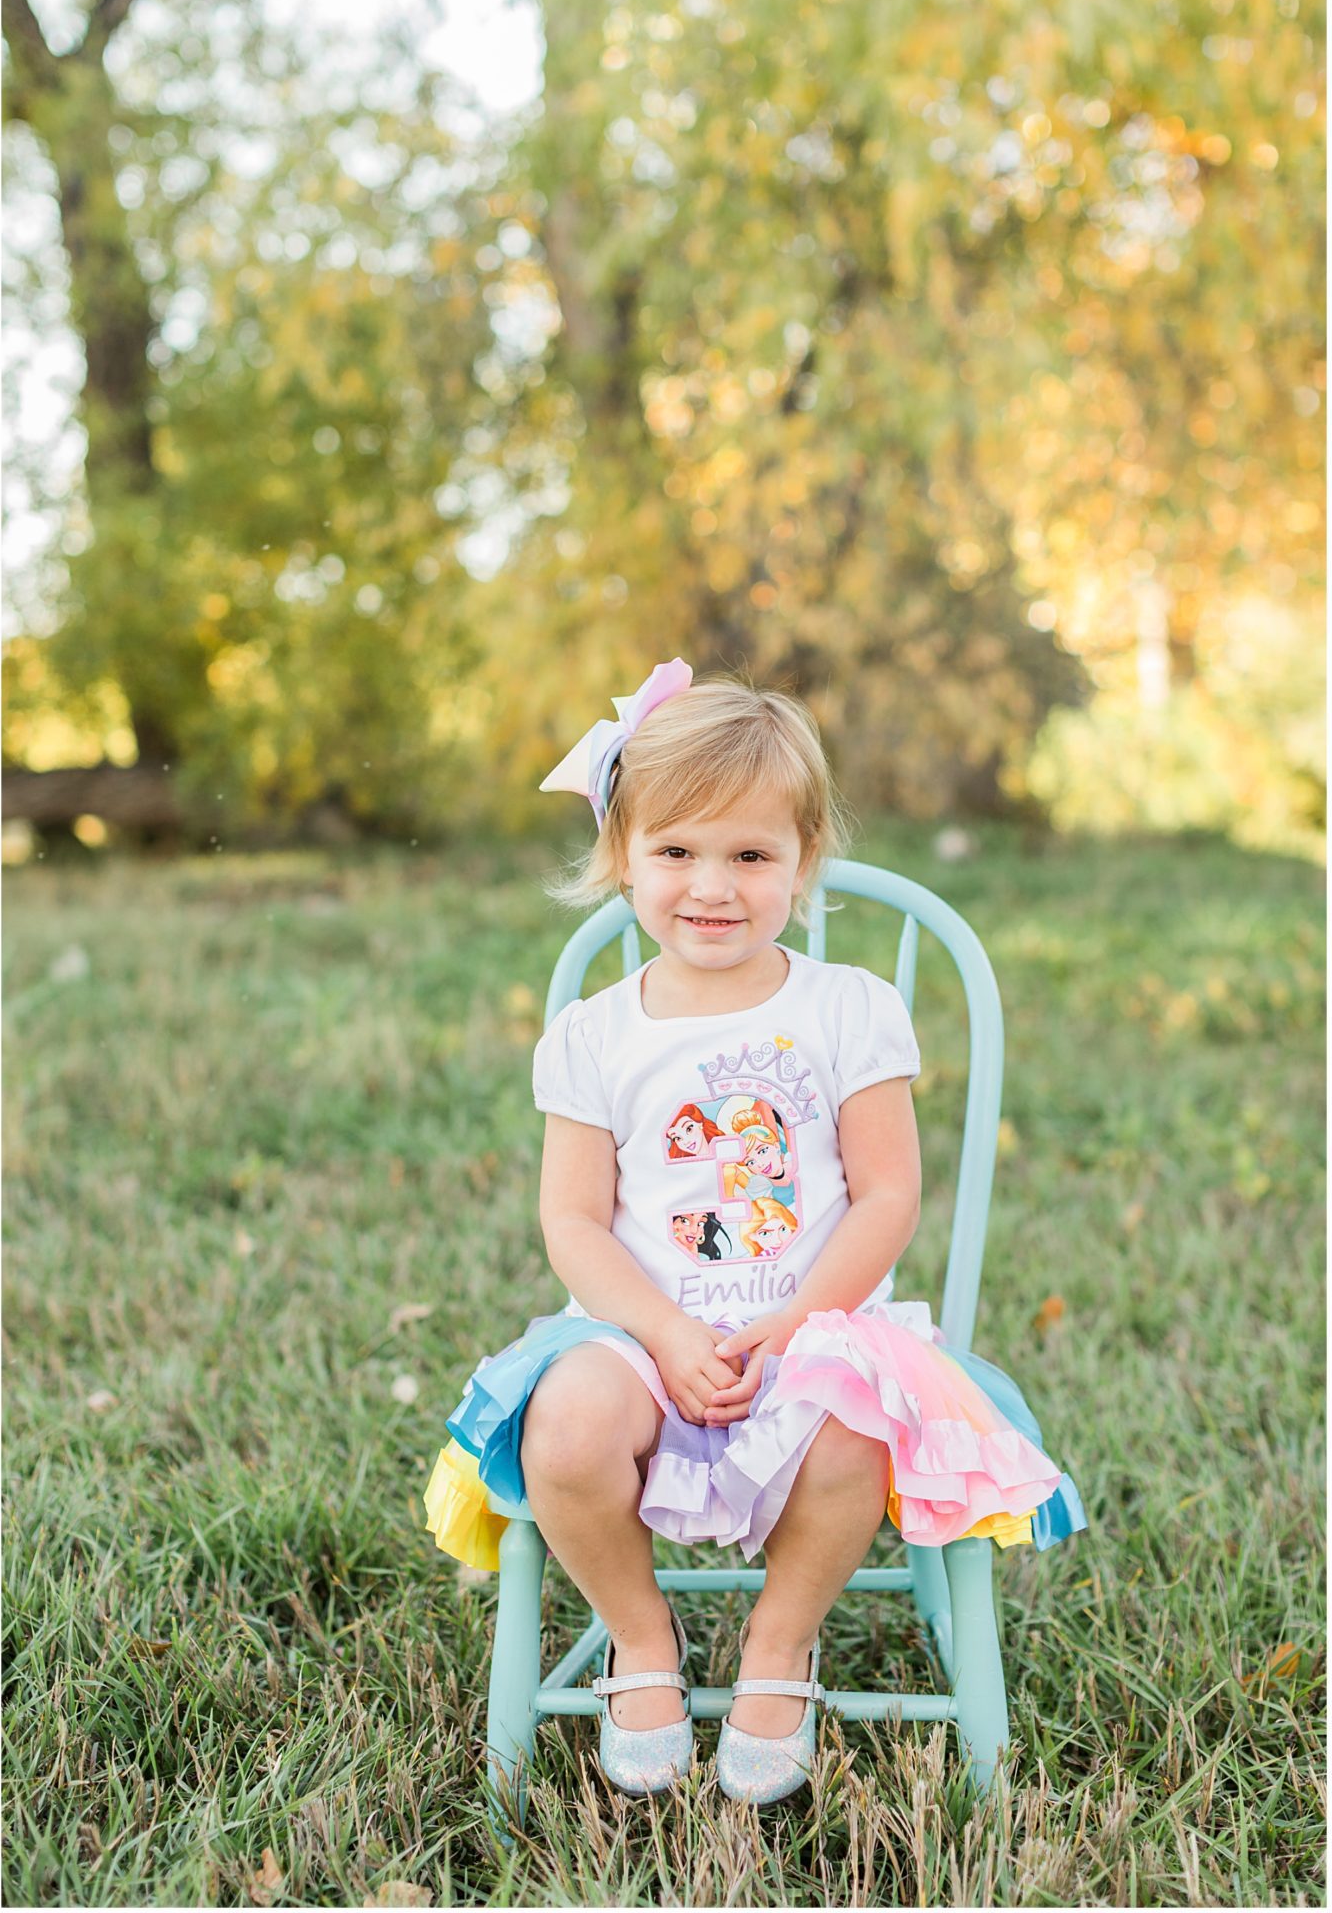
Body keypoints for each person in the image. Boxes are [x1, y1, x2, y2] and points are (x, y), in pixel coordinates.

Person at [423, 659, 1086, 1805]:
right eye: (675, 851)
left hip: (815, 1323)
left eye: (750, 854)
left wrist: (792, 1323)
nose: (710, 886)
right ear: (620, 853)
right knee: (565, 1426)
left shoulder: (847, 1009)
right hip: (640, 1333)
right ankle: (642, 1640)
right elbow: (572, 1217)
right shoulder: (592, 1031)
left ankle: (780, 1645)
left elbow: (885, 1195)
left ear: (801, 859)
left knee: (854, 1418)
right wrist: (664, 1327)